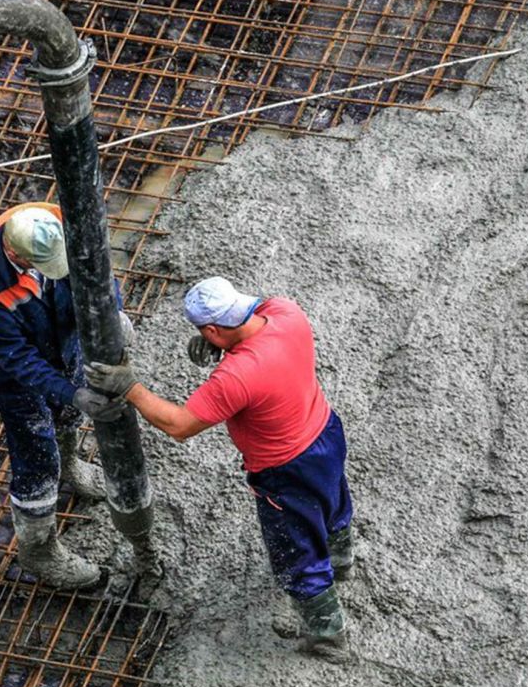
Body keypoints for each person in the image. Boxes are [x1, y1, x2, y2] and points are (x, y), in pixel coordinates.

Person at [86, 277, 356, 662]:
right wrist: (222, 343)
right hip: (325, 432)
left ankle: (328, 635)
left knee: (295, 550)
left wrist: (131, 388)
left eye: (207, 333)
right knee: (334, 502)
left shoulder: (236, 377)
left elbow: (179, 425)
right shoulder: (287, 312)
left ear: (212, 329)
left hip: (285, 468)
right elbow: (260, 308)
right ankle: (342, 561)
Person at [0, 201, 128, 590]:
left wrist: (111, 314)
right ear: (15, 255)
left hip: (58, 331)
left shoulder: (54, 218)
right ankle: (38, 549)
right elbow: (17, 358)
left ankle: (72, 467)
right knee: (36, 449)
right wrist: (72, 393)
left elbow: (97, 273)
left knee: (68, 408)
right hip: (14, 368)